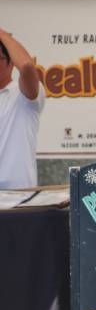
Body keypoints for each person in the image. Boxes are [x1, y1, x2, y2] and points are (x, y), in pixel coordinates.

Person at [0, 28, 44, 189]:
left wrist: (2, 35)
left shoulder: (21, 94)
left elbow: (26, 66)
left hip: (18, 199)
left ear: (11, 62)